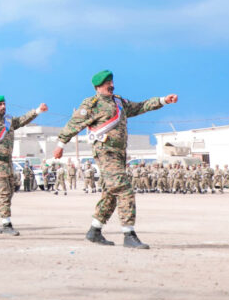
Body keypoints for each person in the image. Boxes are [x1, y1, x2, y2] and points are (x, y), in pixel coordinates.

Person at [53, 69, 177, 249]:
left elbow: (140, 106)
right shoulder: (91, 104)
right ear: (97, 87)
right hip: (105, 152)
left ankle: (95, 230)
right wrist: (60, 145)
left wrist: (163, 100)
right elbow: (74, 124)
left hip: (119, 154)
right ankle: (129, 234)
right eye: (106, 83)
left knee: (110, 193)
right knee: (124, 188)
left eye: (111, 82)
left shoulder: (118, 101)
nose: (111, 86)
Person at [0, 95, 48, 236]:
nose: (3, 107)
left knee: (9, 192)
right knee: (4, 193)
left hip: (8, 162)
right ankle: (6, 224)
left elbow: (23, 120)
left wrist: (38, 111)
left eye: (4, 104)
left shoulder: (9, 121)